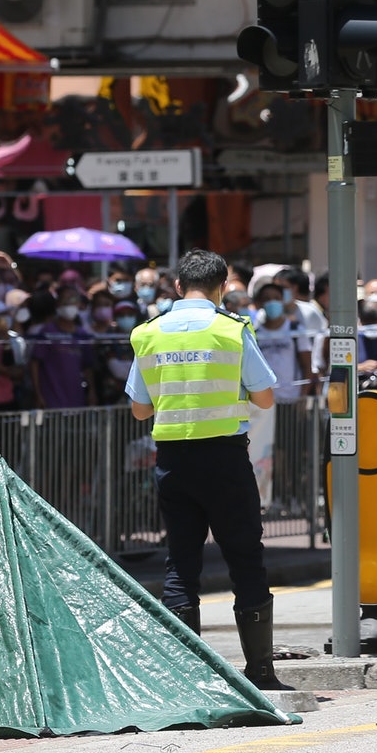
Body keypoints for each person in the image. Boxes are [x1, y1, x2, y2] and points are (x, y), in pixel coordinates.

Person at [125, 249, 290, 691]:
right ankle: (260, 673)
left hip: (174, 461)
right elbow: (265, 398)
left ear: (177, 286)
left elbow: (140, 410)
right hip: (224, 458)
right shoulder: (232, 330)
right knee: (245, 558)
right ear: (222, 288)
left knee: (181, 561)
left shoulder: (148, 334)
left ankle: (189, 678)